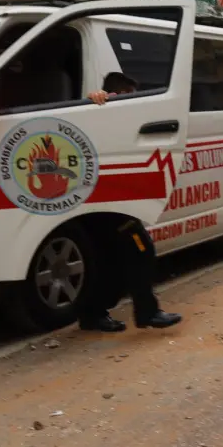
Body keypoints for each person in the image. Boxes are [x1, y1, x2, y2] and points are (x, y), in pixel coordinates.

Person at [76, 87, 181, 333]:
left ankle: (93, 314)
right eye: (127, 94)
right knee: (140, 249)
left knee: (110, 260)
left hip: (108, 196)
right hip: (104, 197)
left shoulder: (116, 115)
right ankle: (146, 312)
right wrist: (92, 102)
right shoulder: (96, 110)